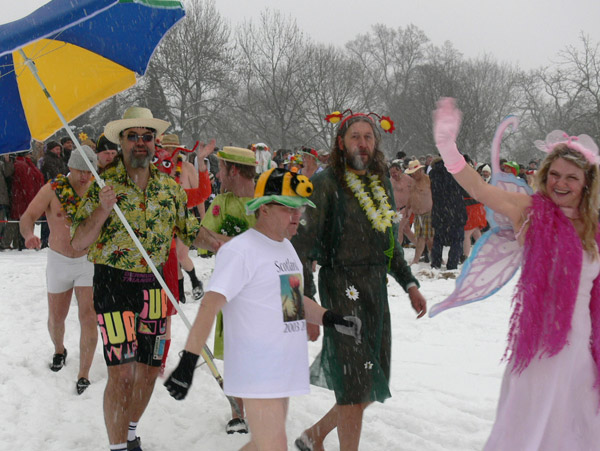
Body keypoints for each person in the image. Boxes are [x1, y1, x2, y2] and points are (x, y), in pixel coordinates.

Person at [433, 97, 600, 450]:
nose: (560, 183)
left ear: (587, 183)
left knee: (575, 430)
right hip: (540, 344)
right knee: (526, 429)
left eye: (572, 177)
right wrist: (448, 148)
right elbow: (478, 189)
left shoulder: (594, 227)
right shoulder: (529, 211)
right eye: (554, 174)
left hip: (582, 350)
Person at [165, 167, 361, 451]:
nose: (298, 216)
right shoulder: (241, 251)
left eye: (301, 209)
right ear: (264, 209)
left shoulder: (286, 249)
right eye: (289, 209)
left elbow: (292, 304)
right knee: (274, 446)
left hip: (283, 366)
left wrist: (331, 318)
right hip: (257, 368)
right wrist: (187, 363)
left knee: (263, 446)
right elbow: (209, 306)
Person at [70, 106, 223, 451]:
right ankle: (117, 447)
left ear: (155, 143)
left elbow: (190, 231)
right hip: (113, 284)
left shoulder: (169, 188)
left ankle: (131, 431)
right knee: (121, 373)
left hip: (155, 286)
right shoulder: (102, 185)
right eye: (133, 136)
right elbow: (79, 243)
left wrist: (218, 244)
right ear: (121, 142)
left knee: (149, 370)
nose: (141, 142)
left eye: (147, 136)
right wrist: (103, 209)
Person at [291, 111, 427, 451]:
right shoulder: (325, 184)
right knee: (354, 386)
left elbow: (389, 242)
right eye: (355, 137)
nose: (362, 143)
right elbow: (299, 250)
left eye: (368, 137)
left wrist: (409, 284)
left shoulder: (379, 181)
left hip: (374, 290)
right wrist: (305, 310)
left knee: (371, 381)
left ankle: (315, 435)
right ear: (341, 143)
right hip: (340, 288)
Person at [20, 145, 99, 394]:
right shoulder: (54, 189)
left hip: (88, 261)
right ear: (70, 167)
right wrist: (29, 235)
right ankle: (59, 349)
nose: (84, 176)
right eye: (80, 170)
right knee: (57, 317)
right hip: (58, 260)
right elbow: (28, 216)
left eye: (89, 171)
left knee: (88, 316)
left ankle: (84, 372)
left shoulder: (99, 191)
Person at [198, 145, 258, 434]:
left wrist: (228, 241)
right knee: (235, 354)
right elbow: (202, 238)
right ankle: (238, 413)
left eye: (221, 169)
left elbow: (275, 242)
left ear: (234, 170)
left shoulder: (267, 200)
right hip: (230, 292)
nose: (217, 175)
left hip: (262, 293)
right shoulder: (221, 202)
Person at [429, 155, 467, 270]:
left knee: (438, 239)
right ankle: (452, 264)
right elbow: (464, 191)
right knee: (457, 239)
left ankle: (435, 263)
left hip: (439, 209)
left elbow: (433, 191)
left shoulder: (433, 173)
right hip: (456, 209)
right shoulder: (457, 172)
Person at [6, 150, 45, 250]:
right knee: (23, 221)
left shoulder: (25, 164)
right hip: (23, 199)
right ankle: (21, 244)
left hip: (24, 197)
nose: (31, 155)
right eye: (29, 153)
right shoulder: (22, 165)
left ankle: (22, 243)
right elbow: (26, 184)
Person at [405, 160, 434, 264]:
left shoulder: (428, 180)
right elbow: (411, 196)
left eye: (414, 172)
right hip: (417, 214)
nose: (412, 175)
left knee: (430, 238)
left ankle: (434, 256)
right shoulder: (413, 181)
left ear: (420, 171)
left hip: (428, 212)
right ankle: (416, 259)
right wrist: (407, 208)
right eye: (411, 173)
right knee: (420, 237)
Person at [389, 159, 416, 245]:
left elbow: (416, 191)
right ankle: (422, 247)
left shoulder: (408, 179)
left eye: (395, 172)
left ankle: (397, 250)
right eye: (391, 173)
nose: (393, 175)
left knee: (399, 228)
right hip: (396, 208)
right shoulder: (391, 180)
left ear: (400, 171)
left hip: (407, 207)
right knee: (406, 230)